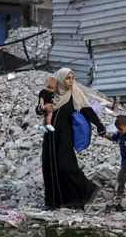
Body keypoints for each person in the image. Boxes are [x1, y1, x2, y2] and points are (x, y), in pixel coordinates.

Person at [41, 68, 106, 209]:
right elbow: (39, 109)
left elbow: (88, 111)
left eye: (72, 78)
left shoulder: (75, 94)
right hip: (50, 136)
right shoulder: (51, 94)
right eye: (67, 78)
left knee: (66, 166)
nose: (71, 81)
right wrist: (43, 108)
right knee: (49, 167)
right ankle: (53, 202)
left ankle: (87, 190)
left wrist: (100, 126)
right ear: (60, 80)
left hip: (65, 135)